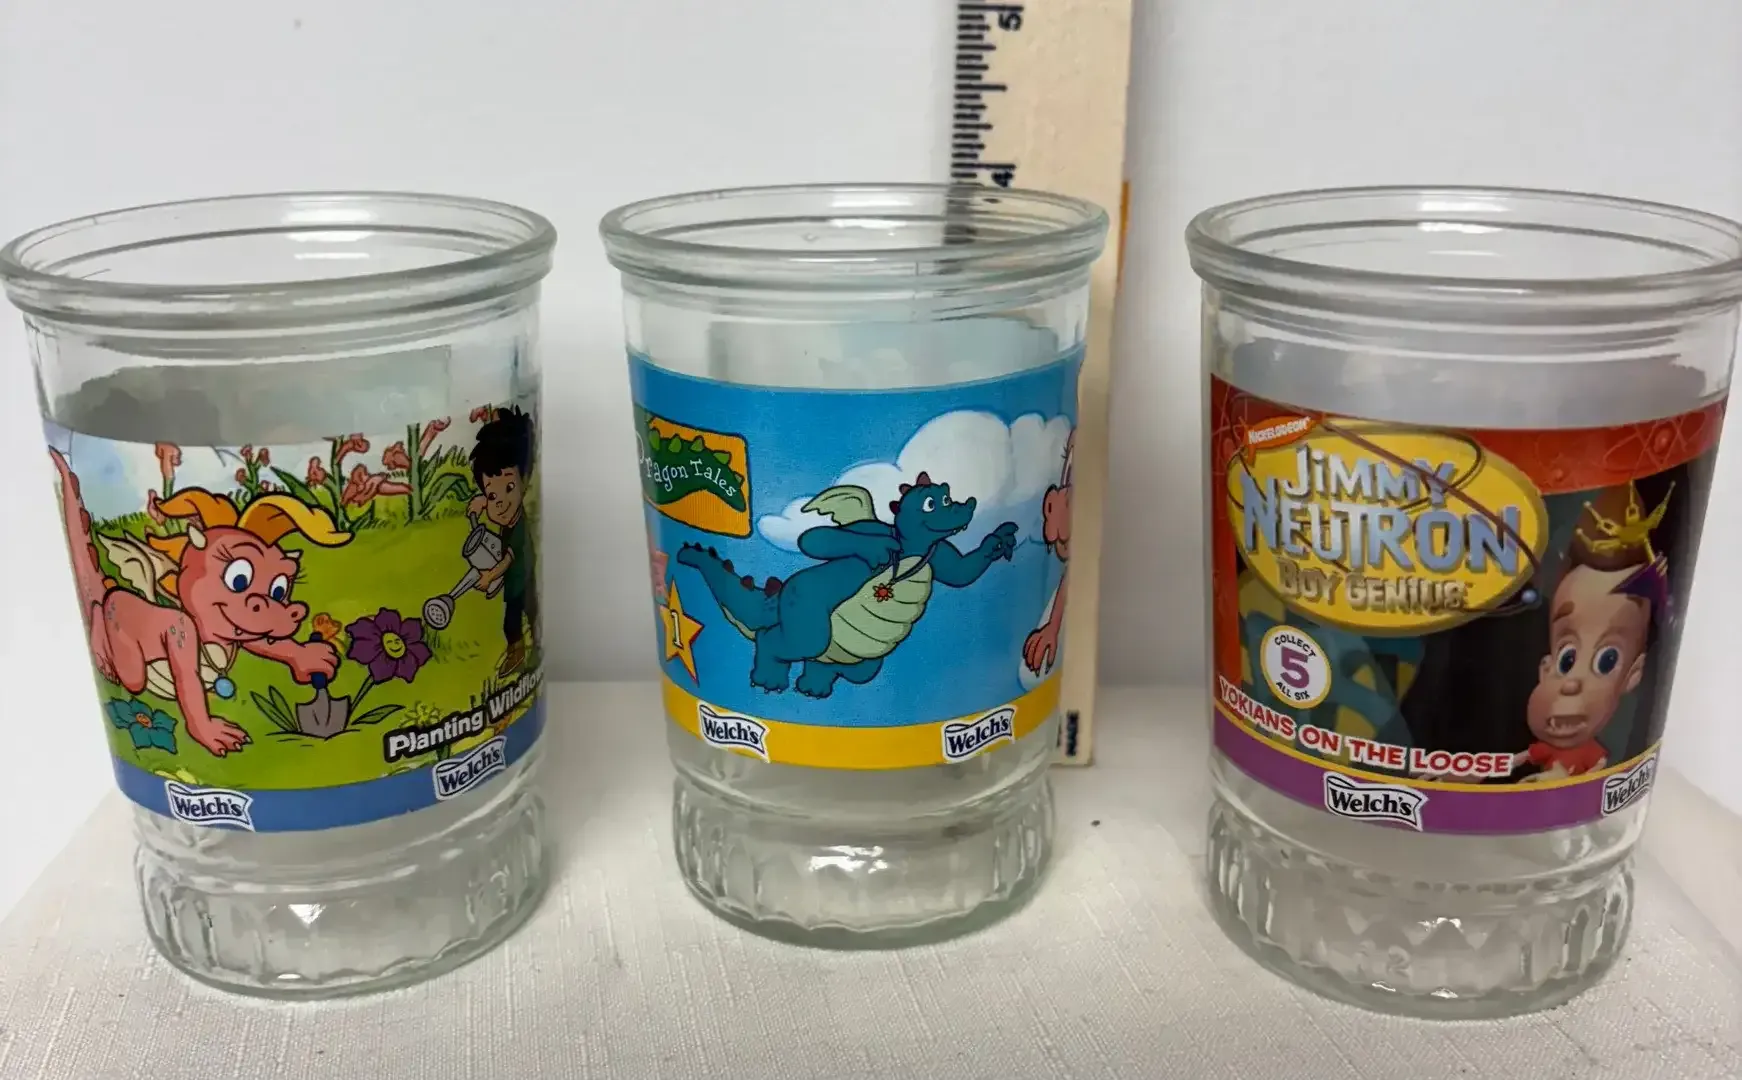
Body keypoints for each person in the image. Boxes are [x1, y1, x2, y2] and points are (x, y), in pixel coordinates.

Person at [1516, 481, 1671, 781]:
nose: (1572, 684)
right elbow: (1520, 759)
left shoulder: (1601, 746)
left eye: (1607, 661)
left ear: (1633, 674)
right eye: (1567, 658)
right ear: (1546, 667)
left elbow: (1600, 771)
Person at [469, 406, 539, 676]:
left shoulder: (518, 526)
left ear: (524, 480)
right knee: (520, 617)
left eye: (510, 488)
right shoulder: (507, 514)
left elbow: (509, 557)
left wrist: (490, 576)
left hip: (522, 576)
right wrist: (484, 501)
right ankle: (521, 651)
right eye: (491, 496)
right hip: (516, 579)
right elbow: (499, 498)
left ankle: (523, 652)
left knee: (522, 616)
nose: (499, 504)